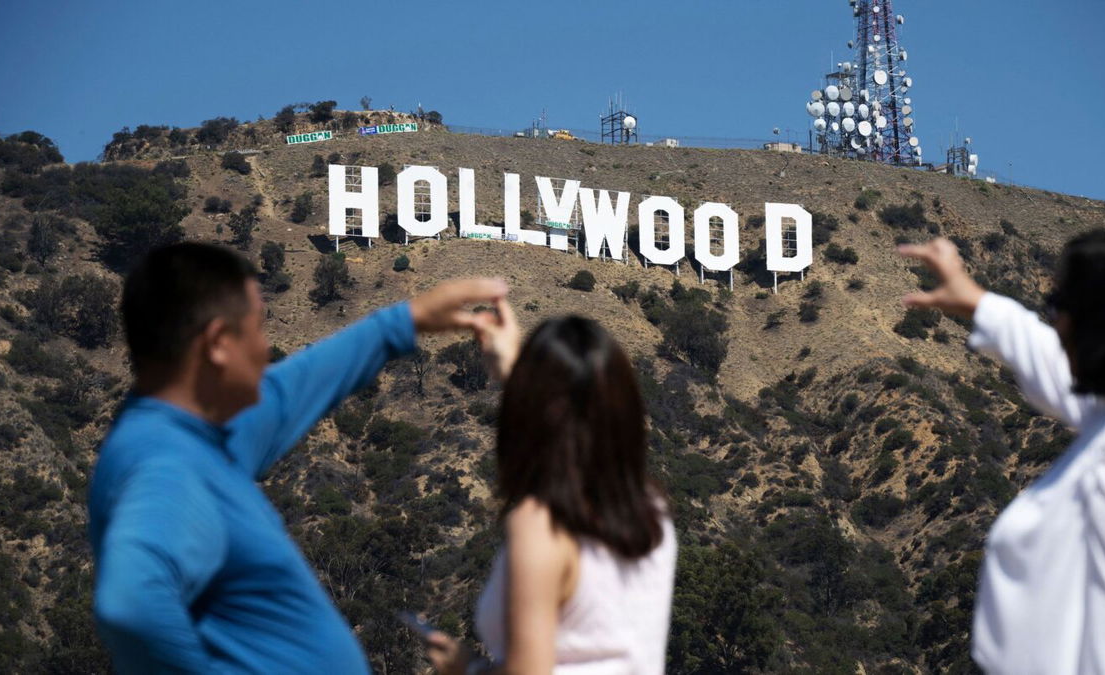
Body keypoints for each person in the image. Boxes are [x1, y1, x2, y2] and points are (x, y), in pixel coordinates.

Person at [89, 241, 506, 673]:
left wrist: (403, 323)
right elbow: (131, 603)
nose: (267, 349)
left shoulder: (196, 435)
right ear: (217, 343)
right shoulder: (167, 464)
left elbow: (290, 392)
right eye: (259, 327)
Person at [900, 230, 1105, 674]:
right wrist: (977, 300)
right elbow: (1053, 366)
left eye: (1058, 307)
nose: (1054, 323)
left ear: (1093, 324)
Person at [424, 305, 677, 675]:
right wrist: (513, 367)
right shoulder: (651, 511)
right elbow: (575, 424)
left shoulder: (541, 526)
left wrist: (467, 669)